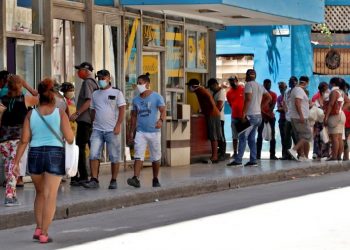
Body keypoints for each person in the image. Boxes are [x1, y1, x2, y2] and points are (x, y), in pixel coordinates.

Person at [13, 78, 74, 243]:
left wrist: (16, 162)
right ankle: (44, 234)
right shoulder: (60, 113)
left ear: (39, 95)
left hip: (35, 154)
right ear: (53, 95)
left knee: (39, 193)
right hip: (54, 154)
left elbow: (24, 140)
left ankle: (38, 227)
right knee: (50, 195)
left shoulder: (30, 114)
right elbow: (69, 138)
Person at [83, 70, 126, 189]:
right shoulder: (95, 94)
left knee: (114, 156)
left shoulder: (117, 92)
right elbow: (92, 110)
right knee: (93, 155)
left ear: (108, 78)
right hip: (97, 129)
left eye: (103, 78)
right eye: (99, 78)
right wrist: (93, 121)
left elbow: (122, 109)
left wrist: (118, 125)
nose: (101, 80)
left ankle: (113, 180)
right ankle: (94, 179)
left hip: (112, 130)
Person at [0, 75, 38, 206]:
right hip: (18, 139)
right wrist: (28, 86)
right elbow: (39, 98)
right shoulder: (25, 99)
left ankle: (13, 194)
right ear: (20, 86)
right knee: (14, 165)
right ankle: (9, 196)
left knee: (9, 166)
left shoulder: (2, 99)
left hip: (3, 138)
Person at [127, 74, 166, 188]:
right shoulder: (136, 100)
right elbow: (133, 117)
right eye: (138, 83)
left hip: (154, 132)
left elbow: (163, 110)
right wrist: (131, 132)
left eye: (141, 83)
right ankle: (136, 178)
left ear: (147, 84)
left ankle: (155, 178)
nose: (139, 85)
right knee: (138, 155)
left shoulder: (157, 97)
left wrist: (161, 120)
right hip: (140, 132)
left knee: (155, 157)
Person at [227, 69, 271, 167]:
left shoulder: (248, 85)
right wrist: (260, 107)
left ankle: (238, 161)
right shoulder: (260, 85)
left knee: (242, 137)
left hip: (250, 116)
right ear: (255, 76)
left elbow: (248, 99)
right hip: (258, 116)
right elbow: (269, 98)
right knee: (251, 139)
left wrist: (243, 114)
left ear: (247, 76)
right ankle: (253, 160)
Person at [70, 62, 99, 186]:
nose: (78, 72)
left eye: (80, 70)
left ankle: (83, 176)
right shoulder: (95, 83)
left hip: (85, 120)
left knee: (80, 147)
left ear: (86, 71)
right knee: (92, 149)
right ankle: (93, 176)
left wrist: (77, 114)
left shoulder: (87, 82)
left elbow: (88, 101)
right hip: (91, 120)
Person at [186, 78, 223, 164]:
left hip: (212, 114)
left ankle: (214, 157)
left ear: (193, 86)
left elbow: (209, 100)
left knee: (213, 135)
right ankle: (214, 156)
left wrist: (210, 110)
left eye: (189, 86)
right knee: (213, 135)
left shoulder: (201, 90)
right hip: (212, 113)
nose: (188, 88)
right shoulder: (199, 91)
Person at [288, 76, 312, 161]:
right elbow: (297, 103)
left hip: (296, 116)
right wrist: (301, 115)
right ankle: (293, 150)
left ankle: (302, 156)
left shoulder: (296, 90)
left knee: (300, 136)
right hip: (299, 117)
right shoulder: (299, 90)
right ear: (306, 82)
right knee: (308, 135)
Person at [324, 77, 349, 161]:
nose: (329, 85)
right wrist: (341, 109)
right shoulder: (341, 92)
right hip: (341, 115)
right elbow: (348, 101)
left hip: (334, 116)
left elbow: (331, 105)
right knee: (339, 137)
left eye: (330, 83)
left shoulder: (334, 92)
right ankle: (338, 156)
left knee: (334, 137)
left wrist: (326, 117)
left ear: (333, 84)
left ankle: (334, 156)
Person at [256, 79, 278, 160]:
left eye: (269, 84)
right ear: (263, 85)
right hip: (261, 117)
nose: (268, 85)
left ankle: (272, 155)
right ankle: (258, 155)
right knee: (259, 136)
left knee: (272, 136)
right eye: (266, 84)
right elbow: (258, 106)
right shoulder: (259, 94)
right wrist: (263, 116)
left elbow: (272, 107)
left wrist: (267, 116)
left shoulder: (273, 94)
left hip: (270, 117)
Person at [207, 78, 226, 161]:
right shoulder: (215, 92)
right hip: (215, 117)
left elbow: (219, 106)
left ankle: (222, 153)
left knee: (221, 136)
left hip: (219, 118)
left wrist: (213, 111)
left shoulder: (221, 92)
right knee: (218, 136)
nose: (210, 89)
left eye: (211, 87)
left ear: (215, 84)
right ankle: (219, 152)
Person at [226, 76, 244, 157]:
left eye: (233, 81)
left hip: (243, 117)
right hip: (234, 117)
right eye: (230, 81)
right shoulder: (229, 93)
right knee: (234, 136)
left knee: (242, 136)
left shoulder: (243, 89)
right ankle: (235, 152)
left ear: (237, 80)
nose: (232, 83)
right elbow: (230, 104)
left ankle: (241, 152)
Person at [311, 82, 330, 160]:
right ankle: (318, 152)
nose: (327, 89)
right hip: (319, 119)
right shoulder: (316, 97)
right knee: (319, 136)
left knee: (323, 136)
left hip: (323, 119)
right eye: (326, 88)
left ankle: (323, 153)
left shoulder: (327, 95)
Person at [283, 76, 298, 158]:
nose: (291, 83)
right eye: (290, 81)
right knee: (287, 137)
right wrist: (286, 110)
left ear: (296, 82)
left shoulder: (298, 91)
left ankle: (298, 153)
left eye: (292, 81)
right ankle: (288, 155)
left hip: (296, 118)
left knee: (296, 136)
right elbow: (284, 102)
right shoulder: (287, 92)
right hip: (288, 117)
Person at [276, 81, 289, 160]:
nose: (281, 89)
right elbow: (279, 108)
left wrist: (283, 109)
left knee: (289, 138)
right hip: (282, 119)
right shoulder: (279, 98)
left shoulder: (289, 96)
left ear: (286, 87)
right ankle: (284, 155)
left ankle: (290, 154)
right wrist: (284, 109)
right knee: (283, 138)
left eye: (282, 87)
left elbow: (288, 109)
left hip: (289, 120)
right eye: (280, 88)